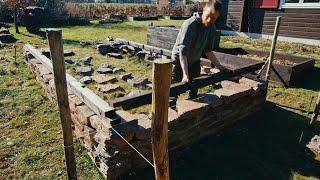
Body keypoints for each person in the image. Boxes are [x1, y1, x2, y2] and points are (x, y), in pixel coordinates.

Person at [171, 0, 229, 99]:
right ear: (203, 11)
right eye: (208, 16)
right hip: (179, 61)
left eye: (214, 18)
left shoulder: (211, 28)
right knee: (174, 90)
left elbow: (208, 51)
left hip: (194, 61)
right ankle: (171, 109)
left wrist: (219, 66)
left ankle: (191, 110)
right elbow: (183, 52)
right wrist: (185, 74)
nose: (209, 20)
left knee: (194, 88)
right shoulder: (190, 25)